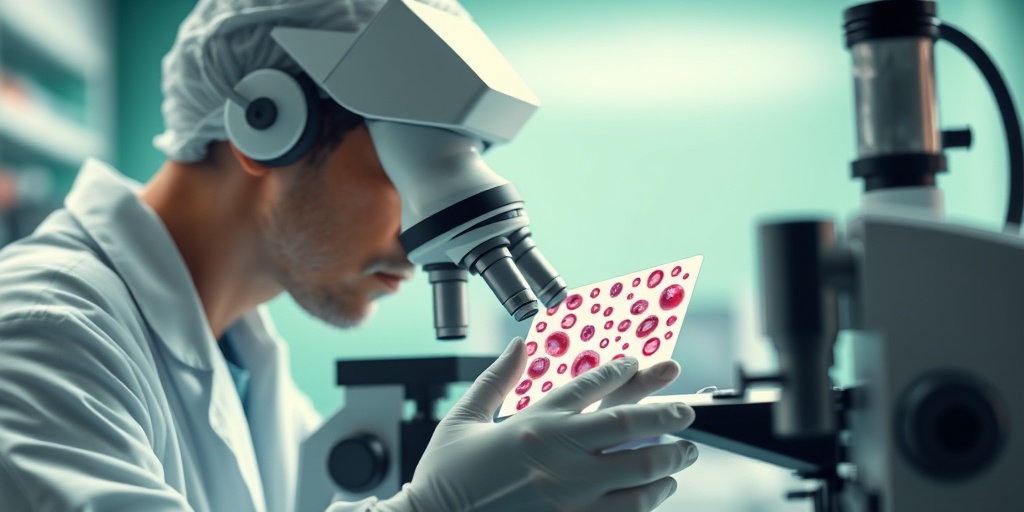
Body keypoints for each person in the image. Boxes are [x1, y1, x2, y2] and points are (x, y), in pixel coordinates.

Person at [0, 0, 700, 511]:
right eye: (408, 176)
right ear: (264, 123)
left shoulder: (246, 358)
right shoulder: (41, 331)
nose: (420, 241)